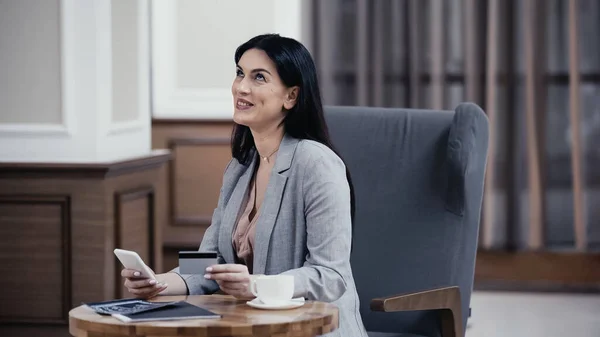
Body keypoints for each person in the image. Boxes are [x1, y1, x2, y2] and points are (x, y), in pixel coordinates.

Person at [121, 33, 368, 337]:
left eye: (259, 77)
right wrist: (158, 283)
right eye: (240, 73)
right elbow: (211, 260)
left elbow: (331, 275)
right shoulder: (240, 167)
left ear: (291, 96)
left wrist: (255, 284)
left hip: (314, 331)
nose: (242, 87)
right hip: (254, 329)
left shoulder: (317, 163)